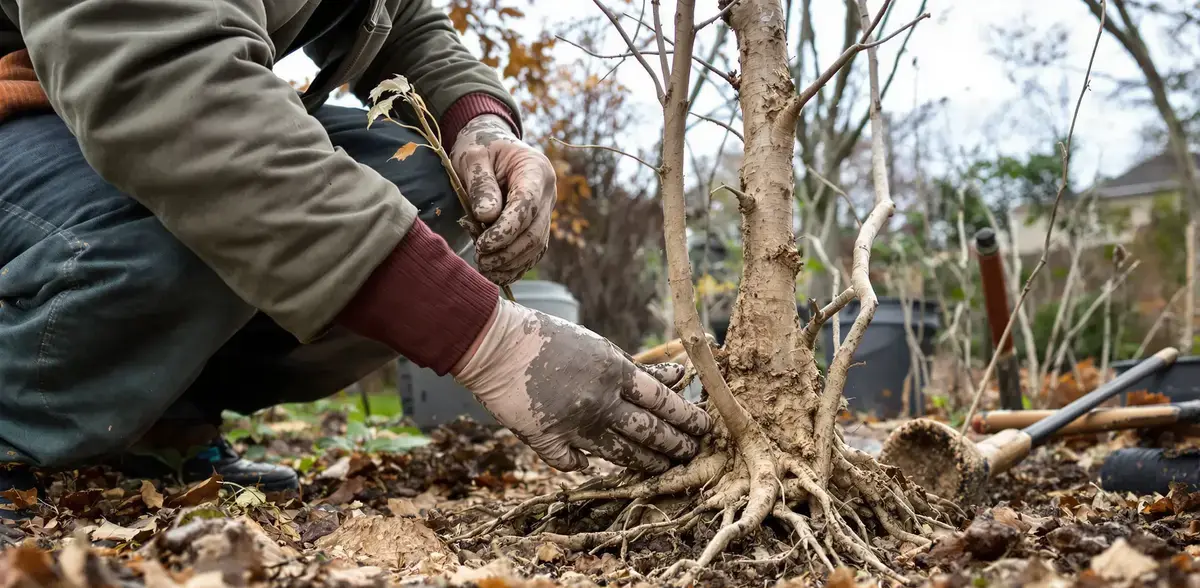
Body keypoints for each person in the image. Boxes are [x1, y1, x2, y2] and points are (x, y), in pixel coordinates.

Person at [0, 0, 712, 511]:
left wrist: (477, 125)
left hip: (118, 112)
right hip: (39, 113)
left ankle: (162, 424)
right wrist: (486, 338)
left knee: (431, 183)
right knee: (205, 209)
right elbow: (163, 83)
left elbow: (401, 18)